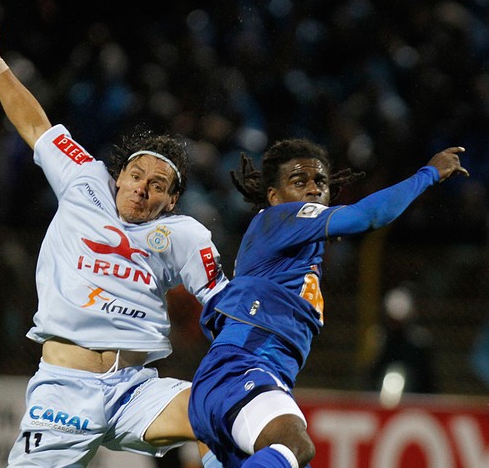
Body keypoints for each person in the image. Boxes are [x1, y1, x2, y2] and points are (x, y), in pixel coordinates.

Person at [0, 10, 228, 467]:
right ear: (118, 176)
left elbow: (225, 305)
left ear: (171, 201)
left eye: (158, 185)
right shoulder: (84, 181)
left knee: (218, 410)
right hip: (64, 392)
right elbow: (34, 125)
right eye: (135, 175)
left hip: (136, 389)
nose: (141, 188)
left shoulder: (181, 234)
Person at [188, 138, 469, 468]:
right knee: (295, 444)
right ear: (274, 196)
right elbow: (370, 215)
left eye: (320, 182)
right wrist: (429, 173)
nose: (312, 190)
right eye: (299, 181)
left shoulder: (286, 249)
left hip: (234, 382)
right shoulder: (277, 219)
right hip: (241, 372)